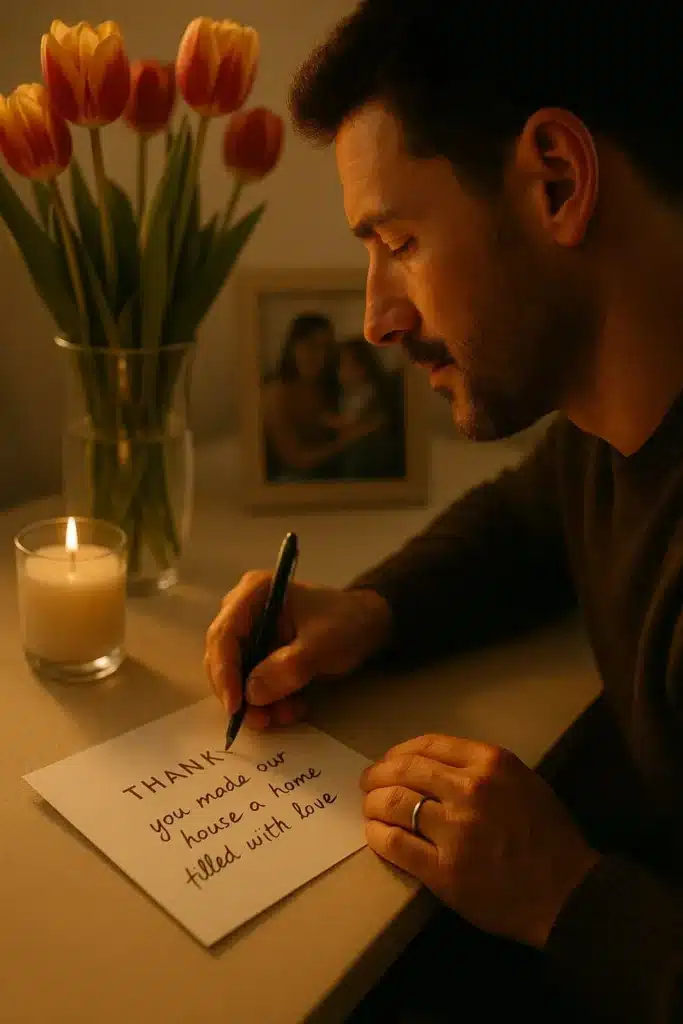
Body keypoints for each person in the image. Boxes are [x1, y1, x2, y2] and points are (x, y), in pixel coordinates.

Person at [205, 3, 683, 1020]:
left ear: (555, 179)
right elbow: (525, 518)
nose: (376, 317)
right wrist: (368, 610)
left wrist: (567, 898)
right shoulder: (609, 428)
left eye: (400, 239)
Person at [261, 313, 373, 481]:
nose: (321, 356)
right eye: (311, 346)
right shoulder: (275, 394)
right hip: (290, 478)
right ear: (293, 347)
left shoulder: (327, 385)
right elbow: (296, 460)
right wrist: (346, 442)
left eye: (327, 348)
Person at [323, 337, 406, 478]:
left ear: (362, 369)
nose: (339, 372)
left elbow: (351, 420)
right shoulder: (346, 393)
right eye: (338, 366)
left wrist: (329, 421)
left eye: (344, 366)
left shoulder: (366, 392)